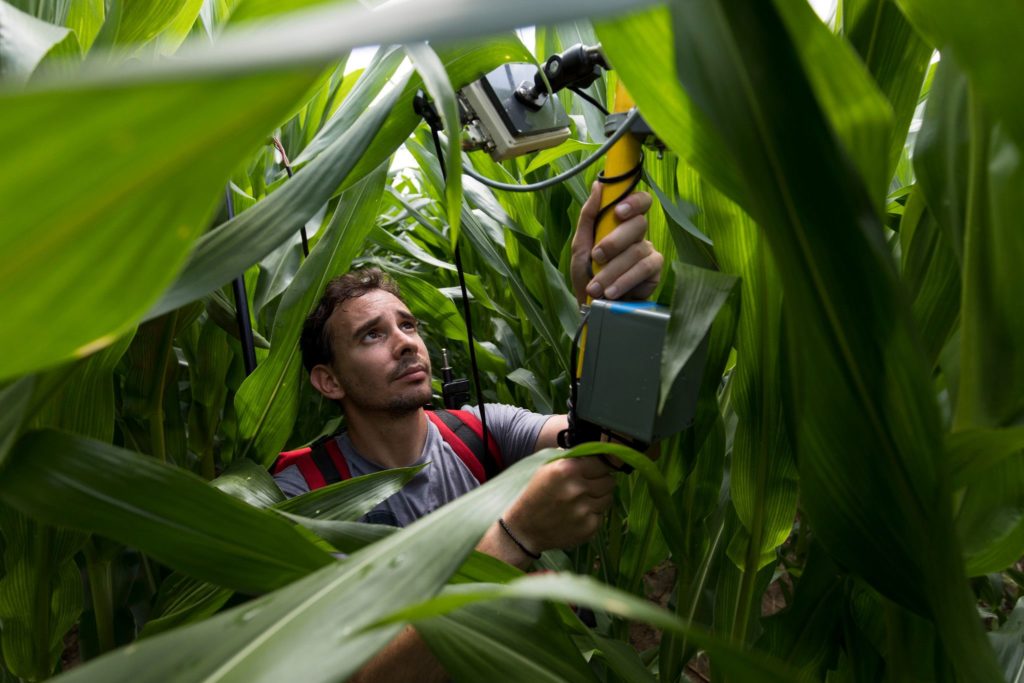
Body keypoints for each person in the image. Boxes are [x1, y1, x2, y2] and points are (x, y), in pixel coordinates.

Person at [274, 182, 660, 682]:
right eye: (372, 334)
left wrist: (611, 309)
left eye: (409, 326)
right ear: (329, 380)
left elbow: (620, 444)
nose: (405, 344)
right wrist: (516, 536)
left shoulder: (479, 431)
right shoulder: (305, 498)